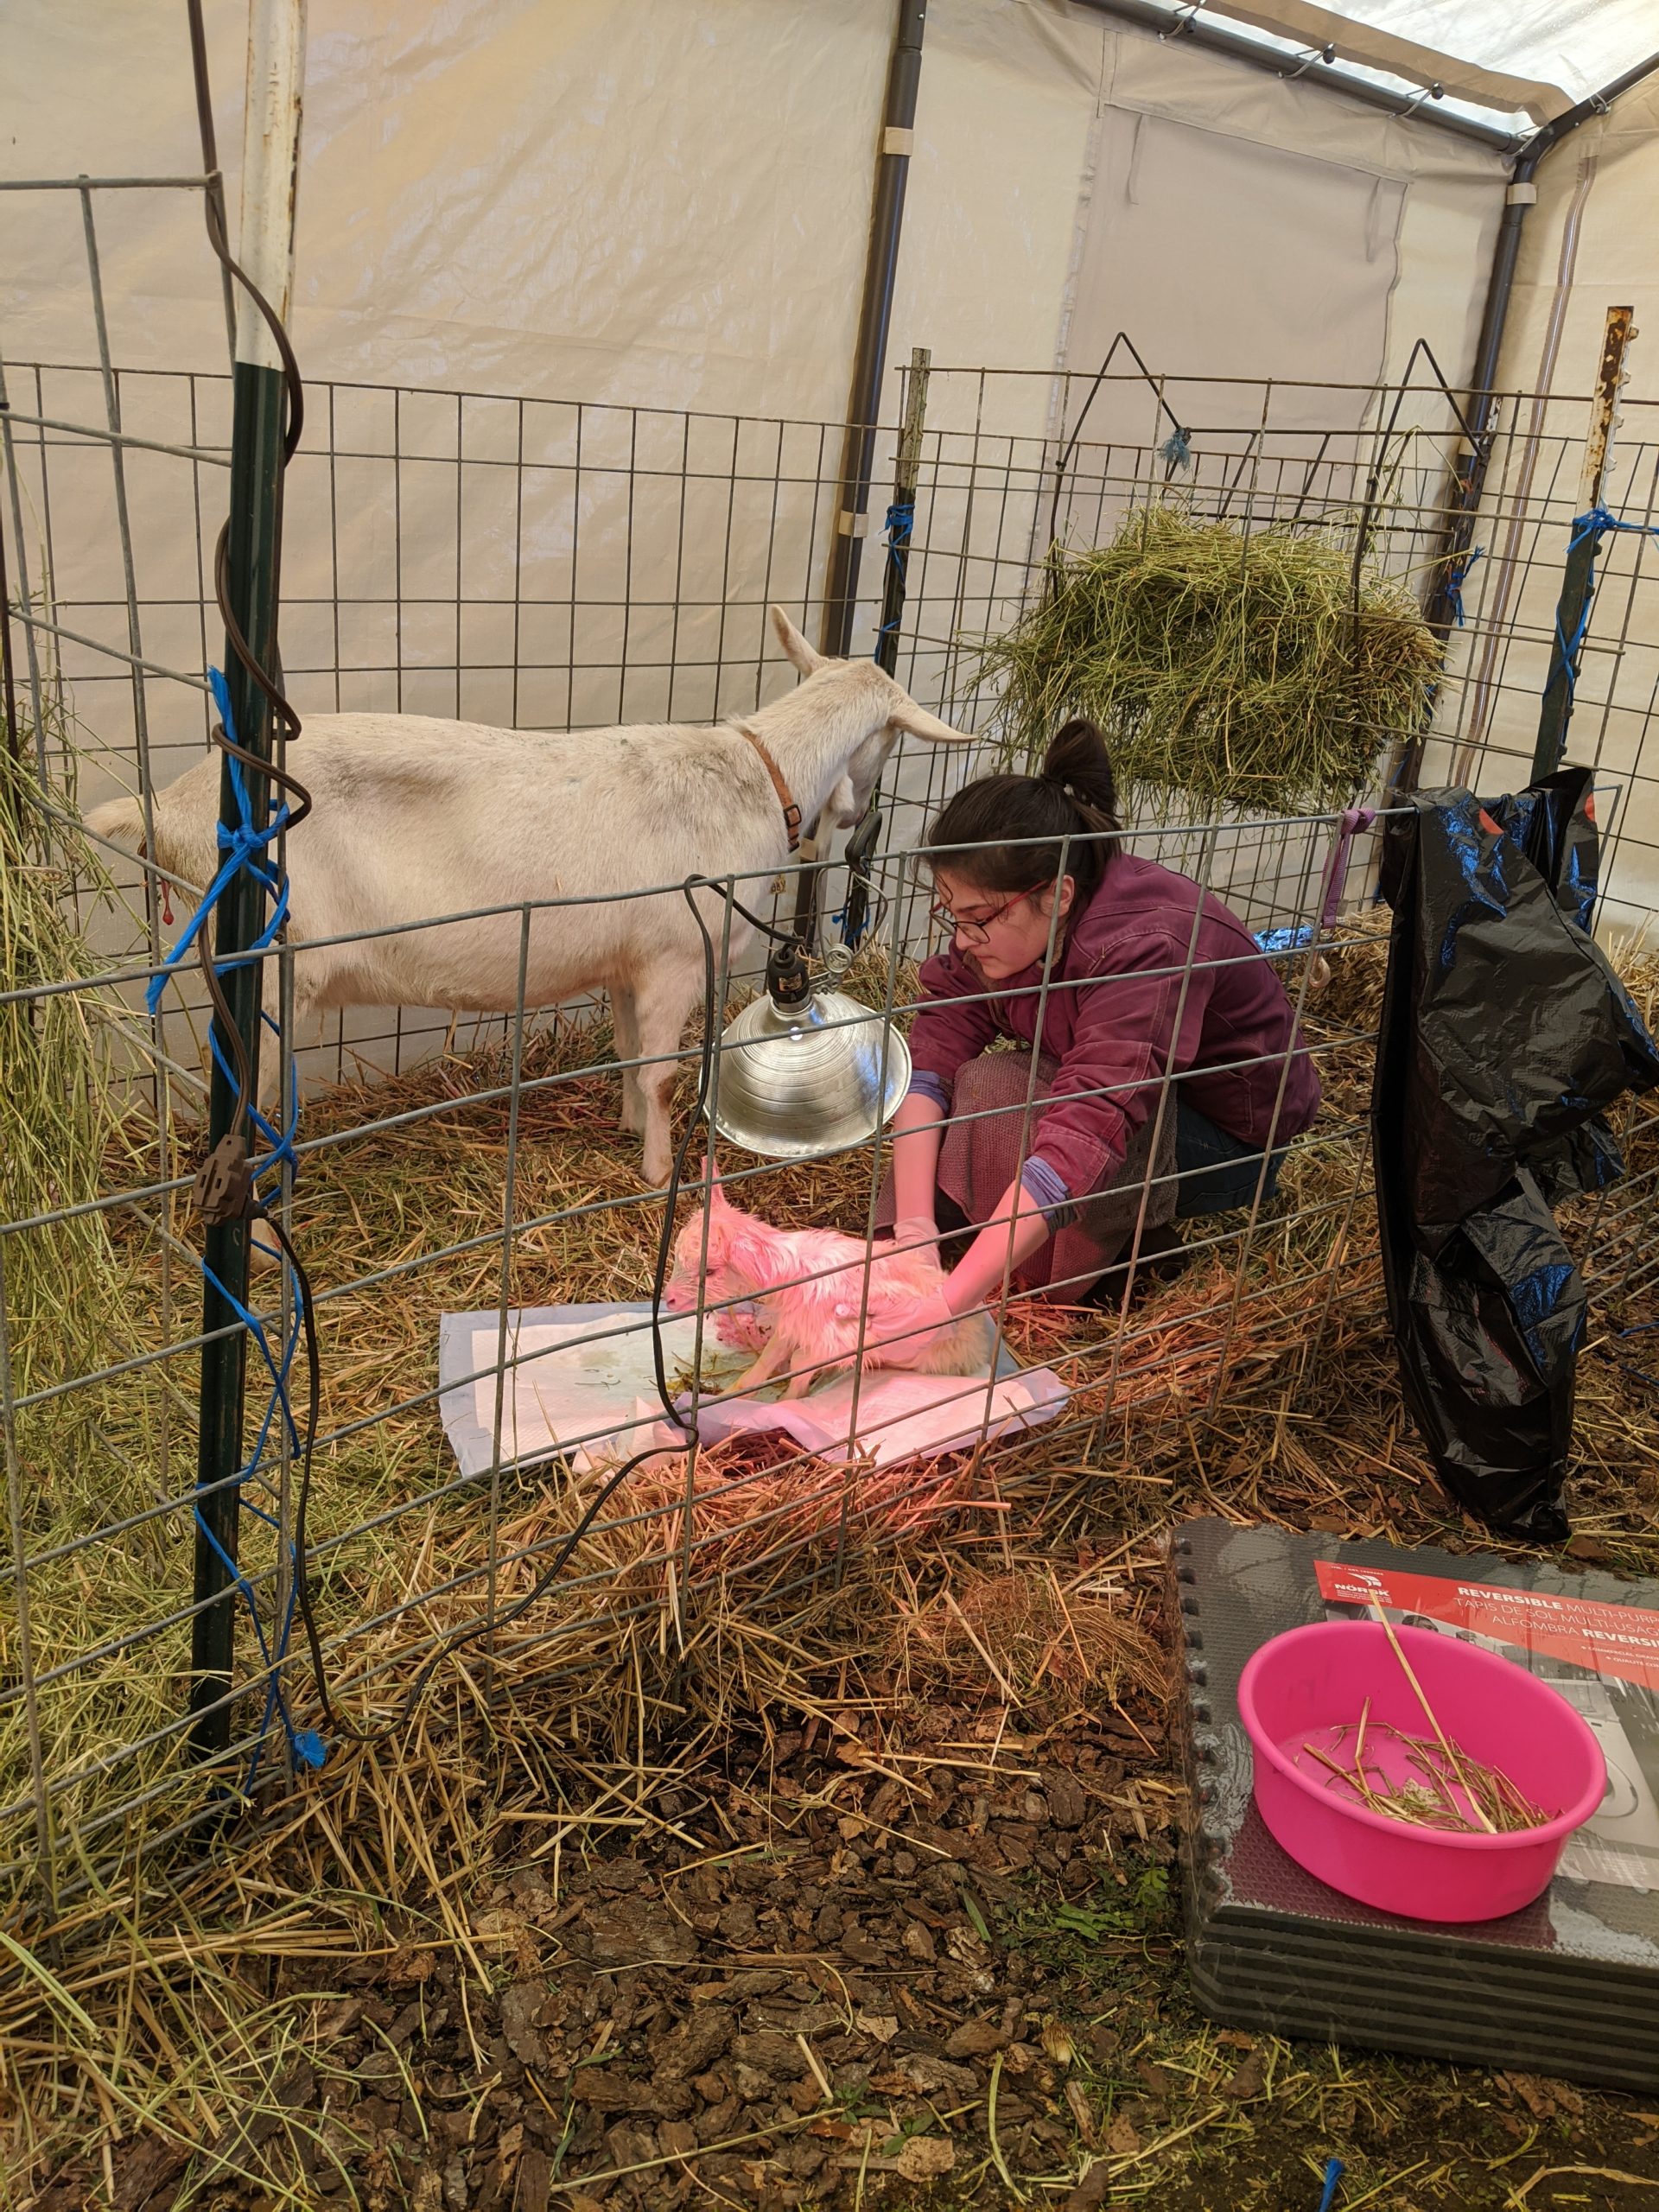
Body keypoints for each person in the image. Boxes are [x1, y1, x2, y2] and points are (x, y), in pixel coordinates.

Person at [873, 717, 1321, 1364]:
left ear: (1056, 895)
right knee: (979, 1088)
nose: (961, 940)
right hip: (1120, 1079)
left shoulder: (1143, 946)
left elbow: (1096, 1113)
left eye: (976, 919)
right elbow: (933, 1052)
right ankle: (967, 1247)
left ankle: (1107, 1268)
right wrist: (912, 1229)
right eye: (950, 911)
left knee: (1003, 1088)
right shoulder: (1018, 920)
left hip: (1227, 1136)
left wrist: (947, 1309)